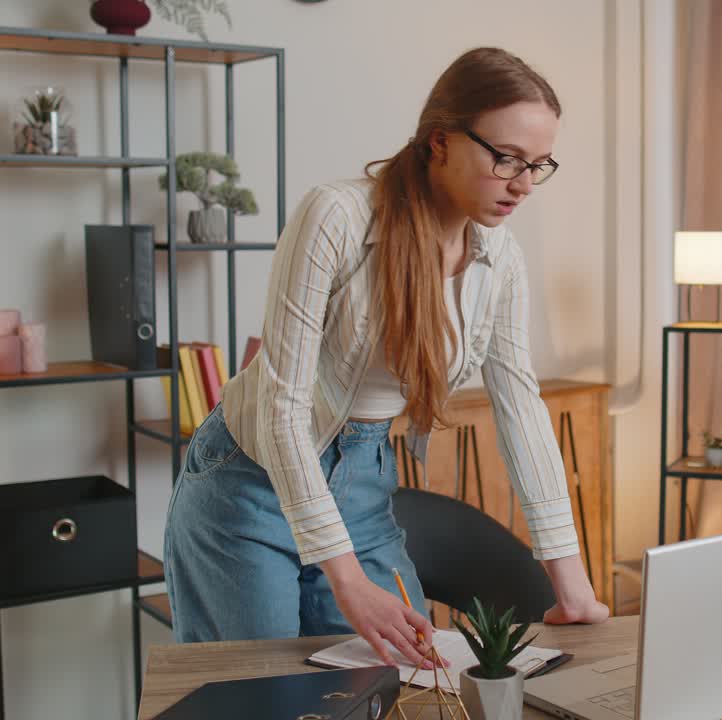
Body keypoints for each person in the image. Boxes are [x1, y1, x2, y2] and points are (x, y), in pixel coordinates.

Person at [163, 46, 608, 669]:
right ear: (439, 142)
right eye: (506, 158)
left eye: (538, 164)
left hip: (362, 484)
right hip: (250, 481)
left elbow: (522, 412)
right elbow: (283, 409)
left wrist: (574, 584)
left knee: (408, 682)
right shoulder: (337, 217)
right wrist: (347, 584)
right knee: (260, 692)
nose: (524, 183)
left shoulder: (500, 260)